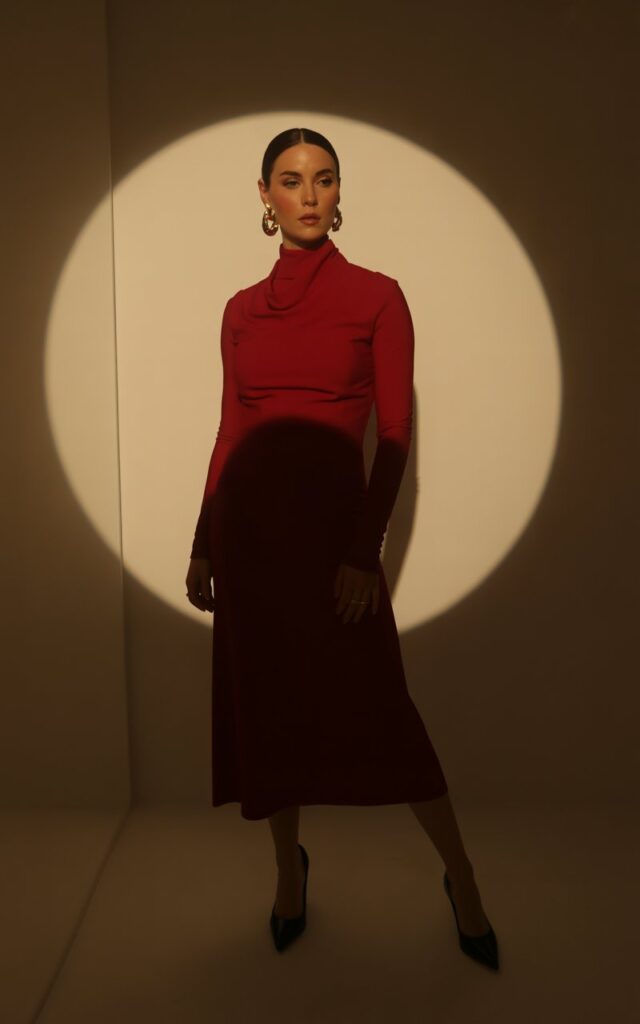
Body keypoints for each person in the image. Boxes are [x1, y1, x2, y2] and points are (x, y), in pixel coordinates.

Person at [185, 127, 499, 967]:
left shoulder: (376, 297)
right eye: (291, 181)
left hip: (333, 549)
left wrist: (365, 550)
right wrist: (203, 542)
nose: (310, 195)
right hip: (250, 549)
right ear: (264, 196)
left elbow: (394, 433)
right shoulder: (239, 312)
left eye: (324, 179)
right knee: (269, 718)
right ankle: (289, 873)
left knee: (385, 714)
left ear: (338, 191)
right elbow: (230, 430)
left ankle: (462, 877)